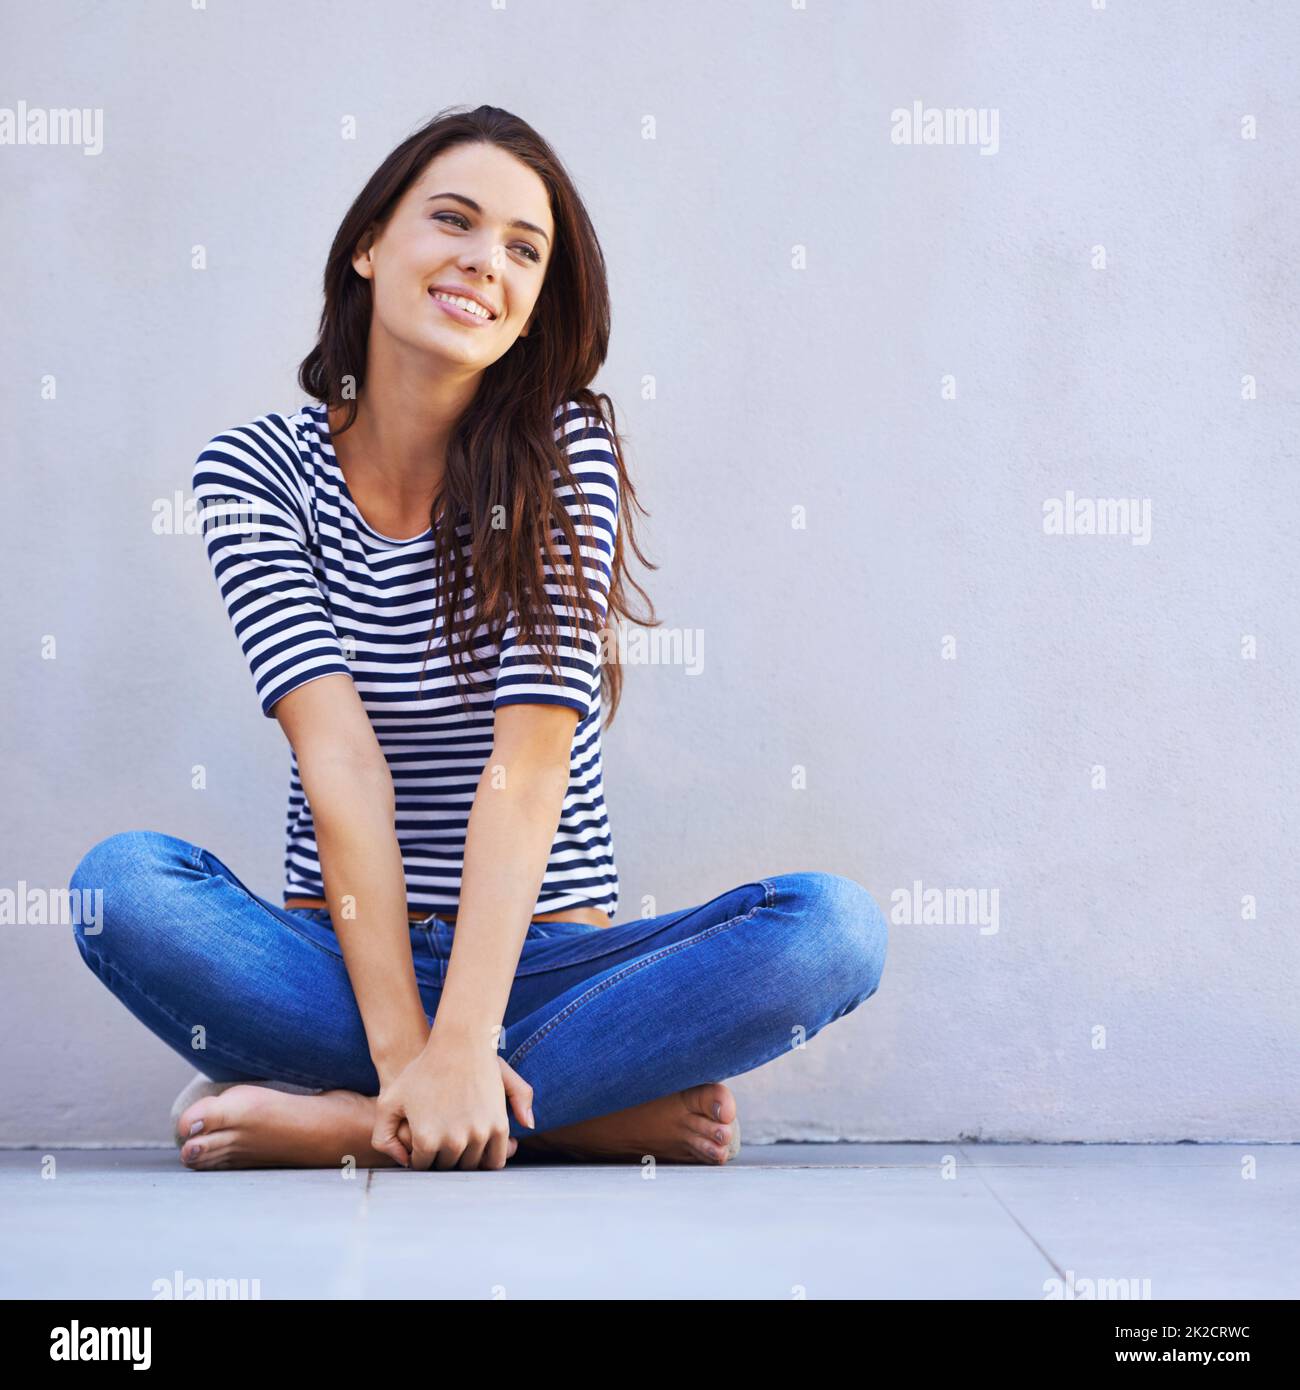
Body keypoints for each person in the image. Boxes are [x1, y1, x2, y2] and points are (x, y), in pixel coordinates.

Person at [68, 104, 888, 1173]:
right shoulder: (252, 472)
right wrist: (413, 1047)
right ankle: (537, 1114)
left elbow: (530, 761)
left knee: (832, 930)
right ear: (369, 245)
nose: (481, 262)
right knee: (119, 886)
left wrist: (463, 1037)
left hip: (540, 960)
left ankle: (354, 1116)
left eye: (521, 248)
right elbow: (339, 758)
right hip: (339, 953)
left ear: (535, 300)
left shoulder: (566, 455)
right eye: (452, 220)